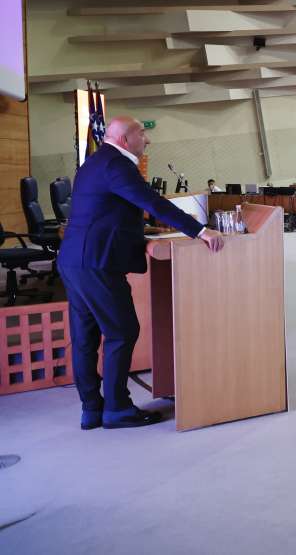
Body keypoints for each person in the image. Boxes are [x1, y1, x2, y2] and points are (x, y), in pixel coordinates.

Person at [58, 117, 225, 430]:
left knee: (84, 339)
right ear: (125, 139)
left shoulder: (95, 161)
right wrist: (200, 231)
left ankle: (92, 409)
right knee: (121, 332)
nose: (147, 140)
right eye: (142, 133)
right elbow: (152, 202)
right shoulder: (117, 164)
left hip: (75, 260)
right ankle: (118, 409)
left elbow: (107, 210)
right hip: (98, 262)